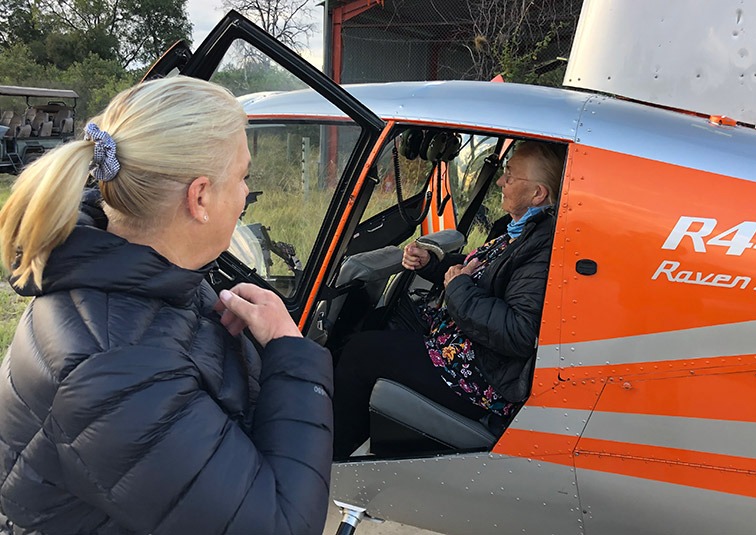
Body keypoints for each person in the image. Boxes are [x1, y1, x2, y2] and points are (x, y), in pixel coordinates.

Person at [0, 76, 333, 534]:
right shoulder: (119, 375)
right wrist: (288, 351)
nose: (245, 197)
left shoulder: (139, 270)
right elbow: (281, 527)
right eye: (243, 178)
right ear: (199, 198)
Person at [333, 140, 565, 458]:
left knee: (361, 352)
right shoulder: (519, 231)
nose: (500, 181)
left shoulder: (541, 246)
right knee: (377, 323)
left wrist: (457, 288)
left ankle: (331, 458)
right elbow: (474, 274)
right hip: (459, 348)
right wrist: (431, 264)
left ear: (537, 193)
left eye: (509, 175)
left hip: (478, 375)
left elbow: (518, 331)